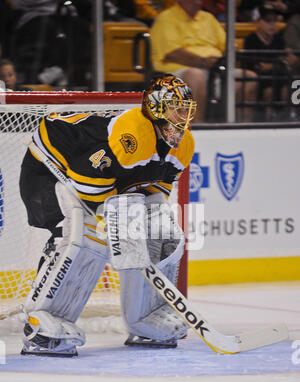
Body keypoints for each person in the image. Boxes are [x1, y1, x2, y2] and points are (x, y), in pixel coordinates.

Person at [19, 74, 196, 357]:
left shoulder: (184, 143)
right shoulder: (130, 136)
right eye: (177, 107)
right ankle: (41, 325)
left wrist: (140, 230)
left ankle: (145, 320)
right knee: (85, 233)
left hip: (101, 177)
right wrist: (114, 226)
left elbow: (158, 186)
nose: (184, 114)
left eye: (187, 108)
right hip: (51, 165)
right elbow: (87, 182)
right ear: (156, 107)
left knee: (158, 232)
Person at [150, 0, 258, 122]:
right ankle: (197, 129)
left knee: (248, 77)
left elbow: (228, 46)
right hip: (178, 70)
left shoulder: (208, 18)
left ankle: (242, 128)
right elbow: (173, 53)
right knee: (196, 76)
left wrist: (220, 60)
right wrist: (202, 62)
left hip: (215, 69)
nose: (197, 2)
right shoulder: (166, 18)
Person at [10, 0, 91, 87]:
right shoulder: (38, 24)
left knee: (82, 31)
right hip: (34, 18)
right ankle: (36, 79)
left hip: (57, 16)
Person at [244, 3, 296, 119]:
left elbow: (287, 61)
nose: (272, 25)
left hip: (279, 78)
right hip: (261, 81)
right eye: (268, 21)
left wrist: (278, 63)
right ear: (256, 22)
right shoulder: (251, 40)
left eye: (275, 20)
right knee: (269, 90)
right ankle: (268, 120)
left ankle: (289, 118)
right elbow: (258, 67)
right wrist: (280, 62)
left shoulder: (279, 40)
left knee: (289, 87)